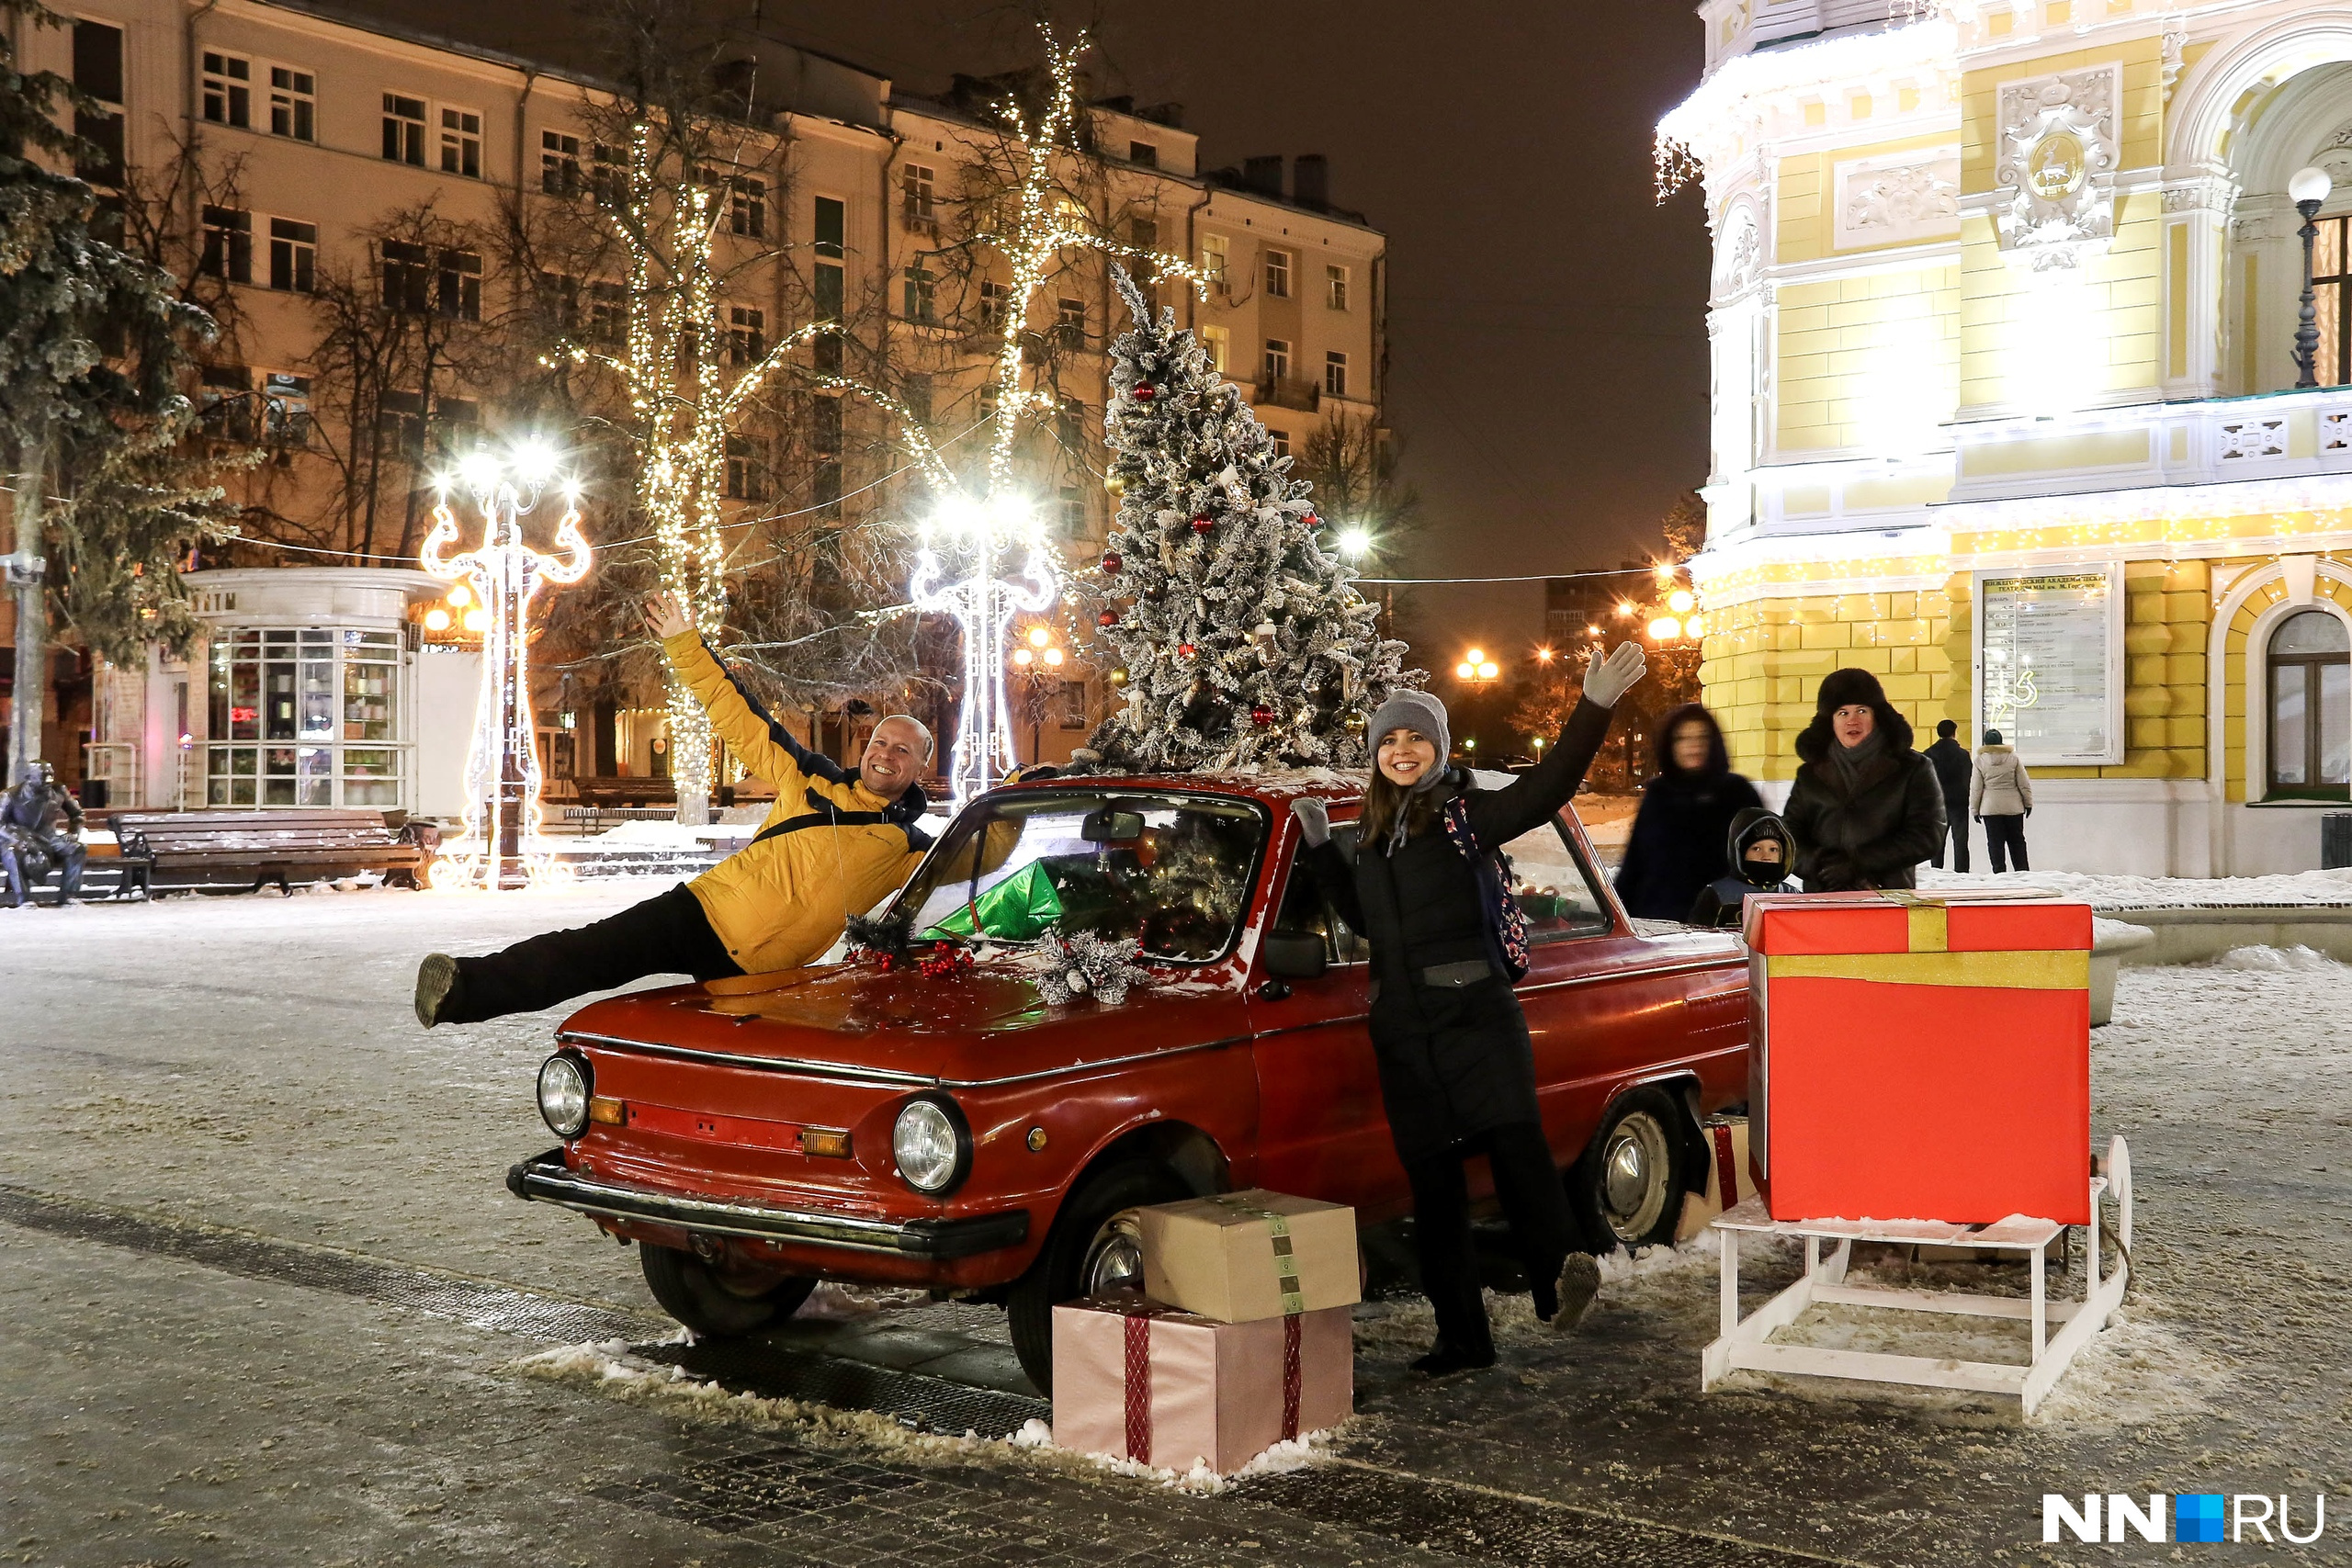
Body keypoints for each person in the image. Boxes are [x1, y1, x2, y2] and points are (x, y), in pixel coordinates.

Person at [1292, 641, 1649, 1377]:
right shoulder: (1374, 835)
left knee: (1518, 1150)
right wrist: (1326, 851)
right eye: (1389, 739)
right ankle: (1462, 1338)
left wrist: (1594, 706)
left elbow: (1547, 788)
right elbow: (1365, 924)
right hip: (1403, 1028)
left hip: (1477, 1013)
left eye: (1415, 737)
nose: (1402, 750)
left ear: (1439, 747)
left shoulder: (1465, 815)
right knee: (1435, 1187)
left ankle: (1561, 1277)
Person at [414, 592, 939, 1026]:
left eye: (902, 750)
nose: (884, 754)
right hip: (701, 913)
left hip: (761, 973)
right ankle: (463, 988)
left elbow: (987, 855)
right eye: (879, 741)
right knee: (587, 954)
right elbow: (739, 716)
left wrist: (1019, 789)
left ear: (919, 768)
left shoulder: (911, 850)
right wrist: (685, 643)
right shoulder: (812, 779)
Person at [1780, 668, 1946, 893]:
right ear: (1830, 720)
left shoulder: (1914, 768)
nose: (1852, 721)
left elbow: (1927, 835)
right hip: (1822, 899)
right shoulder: (1810, 774)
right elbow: (1789, 835)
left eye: (1861, 710)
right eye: (1842, 713)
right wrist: (1818, 864)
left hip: (1887, 897)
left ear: (1877, 715)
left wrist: (1858, 863)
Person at [1612, 703, 1762, 921]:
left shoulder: (1738, 793)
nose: (1694, 746)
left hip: (1722, 923)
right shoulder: (1658, 795)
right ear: (1670, 745)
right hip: (1658, 925)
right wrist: (1617, 912)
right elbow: (1634, 863)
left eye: (1702, 737)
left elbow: (1763, 861)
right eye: (1683, 739)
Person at [1686, 807, 1797, 929]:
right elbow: (1698, 939)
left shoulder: (1794, 896)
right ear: (1740, 852)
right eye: (1756, 849)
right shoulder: (1718, 894)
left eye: (1773, 849)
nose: (1766, 856)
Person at [0, 761, 86, 908]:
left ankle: (69, 895)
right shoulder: (11, 795)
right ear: (29, 778)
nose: (49, 780)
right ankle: (23, 898)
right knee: (13, 852)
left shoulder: (59, 791)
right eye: (43, 776)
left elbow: (77, 815)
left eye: (51, 776)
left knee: (78, 848)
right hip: (21, 838)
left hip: (49, 838)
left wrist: (73, 833)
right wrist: (19, 839)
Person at [1972, 728, 2034, 874]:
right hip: (2013, 806)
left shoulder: (1979, 760)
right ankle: (2022, 871)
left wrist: (1974, 810)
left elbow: (1976, 788)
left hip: (1990, 807)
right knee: (2017, 841)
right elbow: (2024, 783)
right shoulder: (2013, 758)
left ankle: (1999, 872)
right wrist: (2028, 803)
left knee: (1995, 843)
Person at [1923, 718, 1973, 873]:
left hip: (1937, 803)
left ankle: (1937, 870)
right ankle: (1962, 871)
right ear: (1954, 733)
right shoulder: (1963, 754)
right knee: (1960, 840)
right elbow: (1968, 777)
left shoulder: (1928, 754)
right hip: (1958, 802)